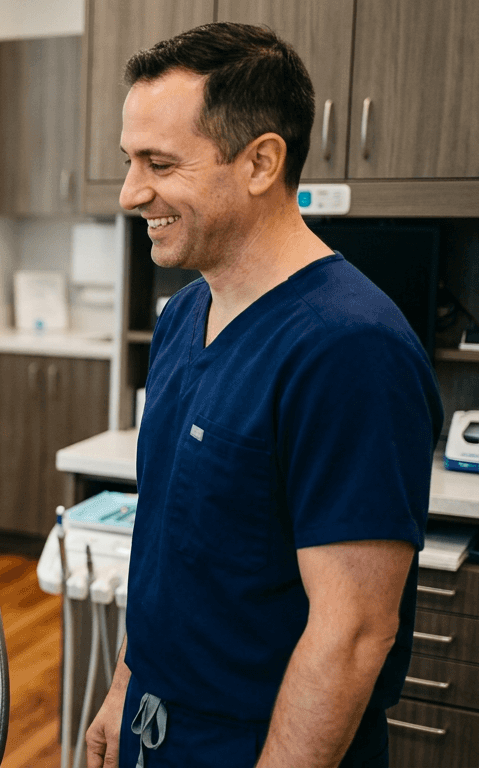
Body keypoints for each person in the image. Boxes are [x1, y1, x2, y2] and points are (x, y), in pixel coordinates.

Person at [84, 23, 443, 768]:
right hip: (159, 721)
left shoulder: (350, 348)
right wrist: (128, 683)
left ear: (261, 162)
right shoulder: (186, 314)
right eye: (129, 161)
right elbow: (170, 540)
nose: (130, 192)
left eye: (159, 163)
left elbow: (352, 633)